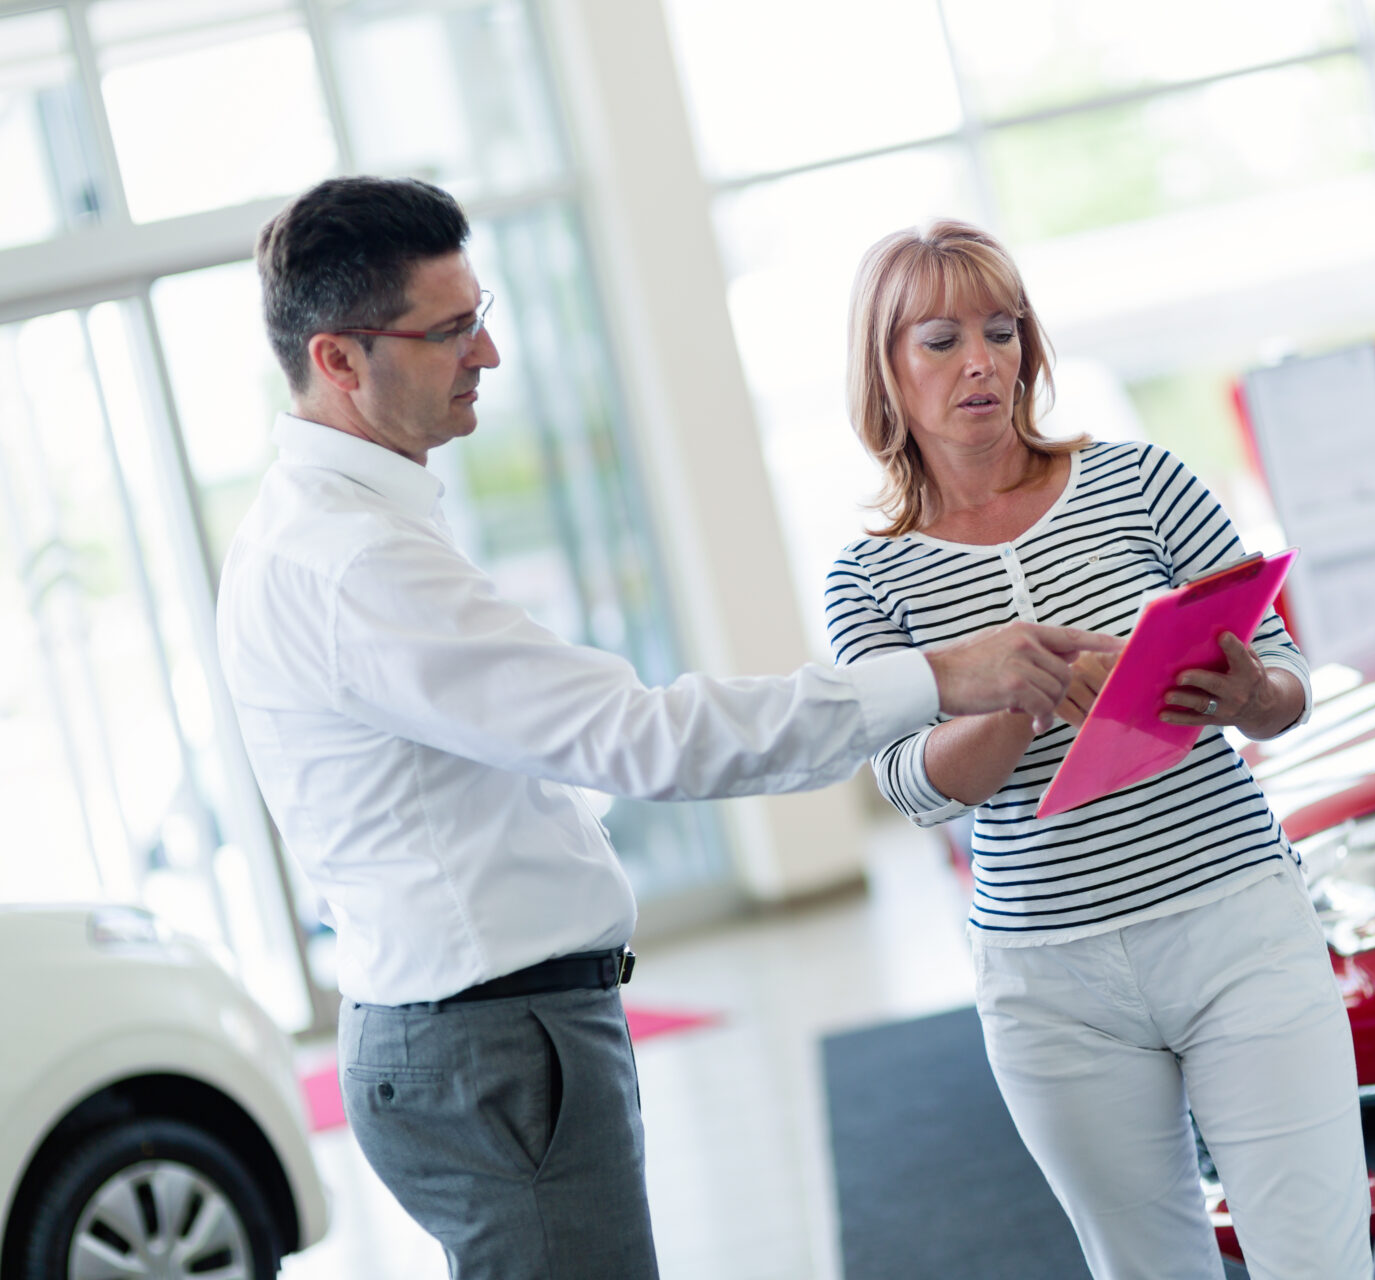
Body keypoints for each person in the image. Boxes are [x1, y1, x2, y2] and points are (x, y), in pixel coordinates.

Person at [216, 177, 1118, 1279]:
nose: (488, 353)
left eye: (480, 311)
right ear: (338, 358)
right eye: (450, 329)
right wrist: (936, 675)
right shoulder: (357, 560)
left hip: (474, 1033)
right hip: (493, 1045)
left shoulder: (318, 526)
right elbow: (642, 738)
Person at [825, 220, 1371, 1280]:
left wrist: (1252, 692)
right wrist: (1010, 698)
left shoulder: (1142, 480)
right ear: (886, 367)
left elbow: (1282, 671)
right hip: (1050, 980)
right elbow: (910, 783)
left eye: (1001, 330)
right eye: (940, 339)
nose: (981, 361)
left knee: (1319, 1258)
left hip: (1235, 924)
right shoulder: (869, 578)